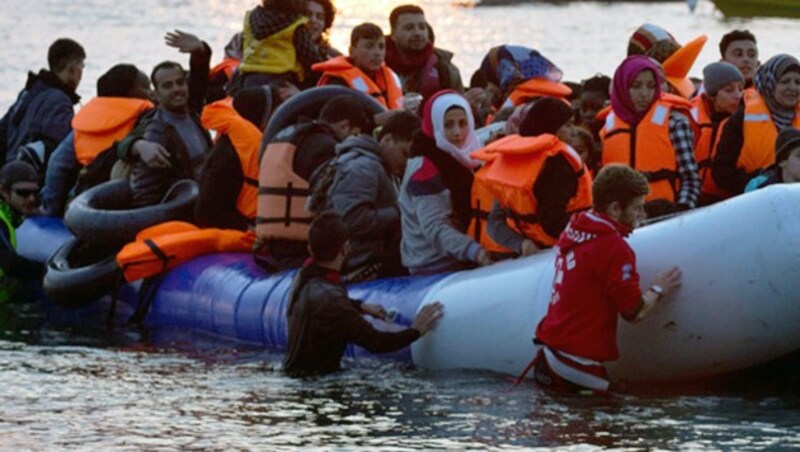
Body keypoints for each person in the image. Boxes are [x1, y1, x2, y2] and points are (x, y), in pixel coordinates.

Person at [531, 164, 682, 393]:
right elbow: (634, 312)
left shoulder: (576, 228)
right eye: (636, 208)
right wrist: (659, 289)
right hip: (576, 368)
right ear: (614, 209)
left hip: (549, 359)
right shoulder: (613, 248)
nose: (641, 216)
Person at [283, 212, 444, 377]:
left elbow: (321, 303)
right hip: (316, 387)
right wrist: (416, 330)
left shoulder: (302, 277)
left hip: (295, 376)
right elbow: (377, 342)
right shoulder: (332, 299)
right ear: (345, 248)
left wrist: (361, 306)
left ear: (310, 249)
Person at [255, 95, 369, 270]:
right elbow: (330, 200)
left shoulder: (289, 137)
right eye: (354, 135)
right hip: (301, 249)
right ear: (344, 126)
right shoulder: (326, 148)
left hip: (273, 246)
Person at [481, 97, 593, 257]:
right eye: (568, 125)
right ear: (551, 128)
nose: (574, 131)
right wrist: (594, 230)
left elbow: (493, 224)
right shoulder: (558, 164)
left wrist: (522, 245)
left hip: (529, 255)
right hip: (562, 250)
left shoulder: (512, 159)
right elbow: (552, 221)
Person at [40, 64, 154, 217]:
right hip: (120, 204)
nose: (152, 92)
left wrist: (50, 207)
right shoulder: (146, 118)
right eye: (146, 87)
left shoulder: (87, 121)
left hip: (81, 196)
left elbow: (58, 163)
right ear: (129, 91)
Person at [320, 110, 420, 282]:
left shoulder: (381, 168)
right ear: (387, 140)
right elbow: (351, 219)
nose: (406, 163)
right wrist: (400, 211)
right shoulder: (363, 167)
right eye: (404, 153)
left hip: (373, 264)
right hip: (362, 269)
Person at [398, 90, 491, 275]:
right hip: (433, 264)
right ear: (435, 125)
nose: (457, 133)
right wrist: (477, 252)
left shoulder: (468, 154)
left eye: (463, 124)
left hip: (461, 254)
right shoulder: (424, 167)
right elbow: (435, 227)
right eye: (448, 125)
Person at [601, 55, 701, 215]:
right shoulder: (608, 126)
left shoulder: (674, 122)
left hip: (667, 215)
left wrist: (681, 211)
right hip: (621, 220)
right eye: (636, 86)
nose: (644, 93)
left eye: (651, 86)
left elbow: (690, 179)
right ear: (622, 87)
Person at [712, 54, 800, 196]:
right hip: (753, 199)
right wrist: (760, 183)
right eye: (785, 82)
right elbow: (721, 171)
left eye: (798, 82)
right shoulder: (742, 117)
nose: (793, 87)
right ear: (770, 82)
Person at [0, 38, 85, 169]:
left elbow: (3, 130)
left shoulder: (28, 92)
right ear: (72, 70)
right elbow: (61, 149)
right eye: (81, 67)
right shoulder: (59, 100)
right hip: (30, 176)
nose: (81, 75)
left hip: (10, 170)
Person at [195, 87, 270, 231]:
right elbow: (207, 213)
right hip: (232, 233)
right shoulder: (229, 156)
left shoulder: (243, 144)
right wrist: (247, 227)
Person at [235, 0, 325, 91]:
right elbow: (311, 60)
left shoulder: (251, 18)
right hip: (281, 81)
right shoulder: (296, 25)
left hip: (249, 78)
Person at [313, 23, 404, 110]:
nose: (377, 53)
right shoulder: (337, 83)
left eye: (381, 47)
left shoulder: (389, 76)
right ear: (352, 51)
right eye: (369, 46)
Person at [384, 4, 463, 102]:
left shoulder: (445, 69)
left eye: (422, 27)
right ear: (393, 34)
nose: (417, 33)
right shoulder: (376, 65)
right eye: (409, 28)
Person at [691, 62, 744, 205]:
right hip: (697, 196)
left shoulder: (744, 123)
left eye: (740, 89)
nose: (738, 96)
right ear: (713, 95)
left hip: (731, 199)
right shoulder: (691, 119)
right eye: (729, 90)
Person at [0, 162, 46, 303]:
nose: (31, 199)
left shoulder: (9, 218)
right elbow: (11, 265)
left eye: (35, 193)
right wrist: (50, 270)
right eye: (23, 193)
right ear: (4, 193)